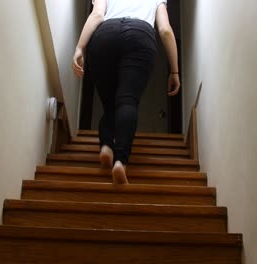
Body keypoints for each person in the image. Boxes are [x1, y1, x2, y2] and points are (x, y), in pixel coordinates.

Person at [72, 0, 180, 184]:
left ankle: (106, 146)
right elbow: (165, 30)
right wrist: (175, 71)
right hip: (140, 35)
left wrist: (80, 47)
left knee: (109, 104)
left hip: (105, 34)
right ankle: (120, 161)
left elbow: (97, 15)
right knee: (127, 101)